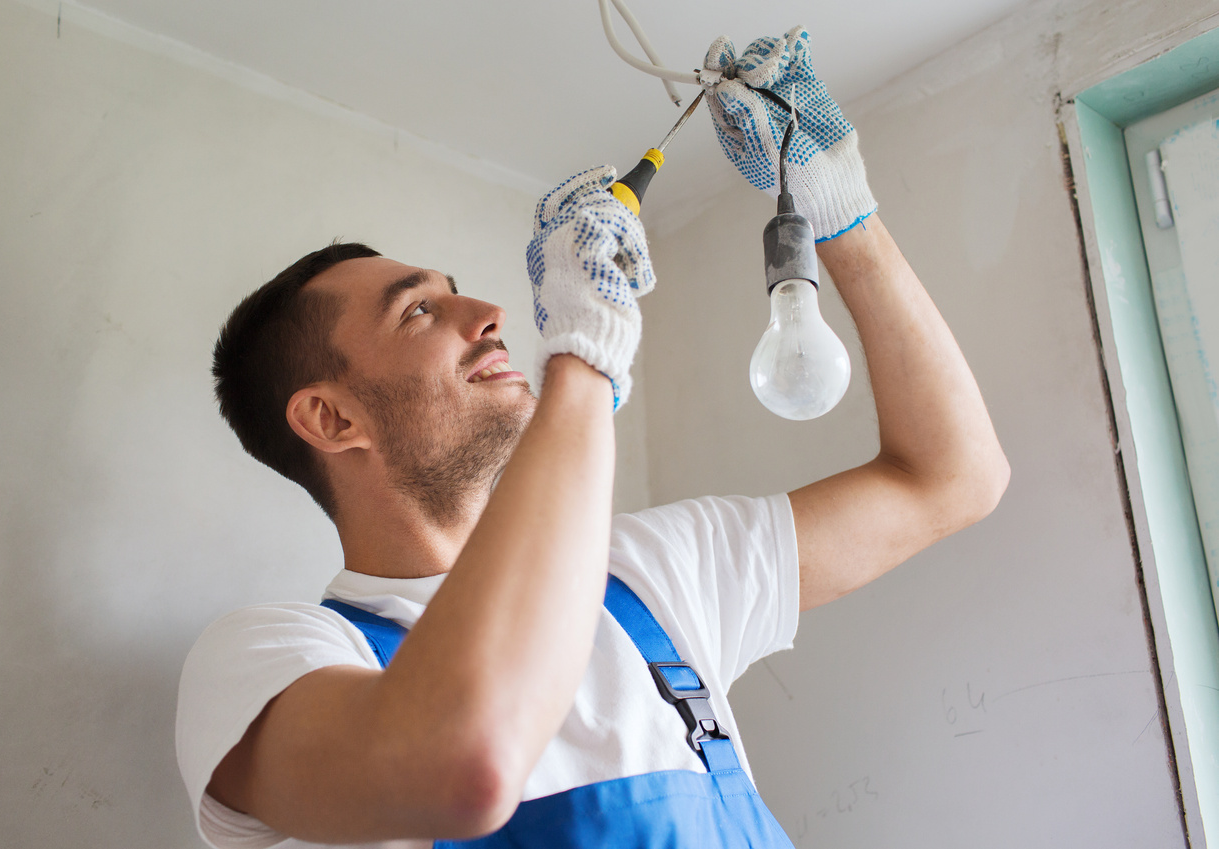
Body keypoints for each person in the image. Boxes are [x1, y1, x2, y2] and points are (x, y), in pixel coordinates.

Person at [175, 28, 1009, 849]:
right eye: (419, 309)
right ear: (331, 419)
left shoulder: (654, 574)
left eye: (458, 291)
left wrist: (837, 207)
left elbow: (953, 475)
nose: (489, 314)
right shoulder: (270, 662)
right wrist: (585, 358)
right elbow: (467, 761)